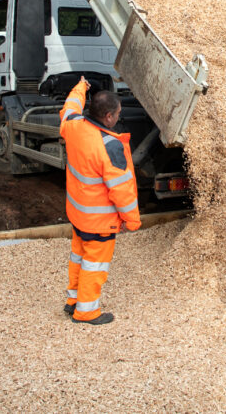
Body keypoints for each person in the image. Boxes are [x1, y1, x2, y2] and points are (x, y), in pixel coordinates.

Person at [59, 77, 141, 325]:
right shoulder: (109, 146)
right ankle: (87, 311)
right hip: (100, 222)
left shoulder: (73, 126)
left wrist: (81, 87)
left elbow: (70, 106)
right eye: (117, 114)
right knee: (94, 266)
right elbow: (121, 191)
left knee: (78, 257)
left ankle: (72, 301)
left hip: (78, 214)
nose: (118, 117)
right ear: (107, 117)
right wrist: (132, 221)